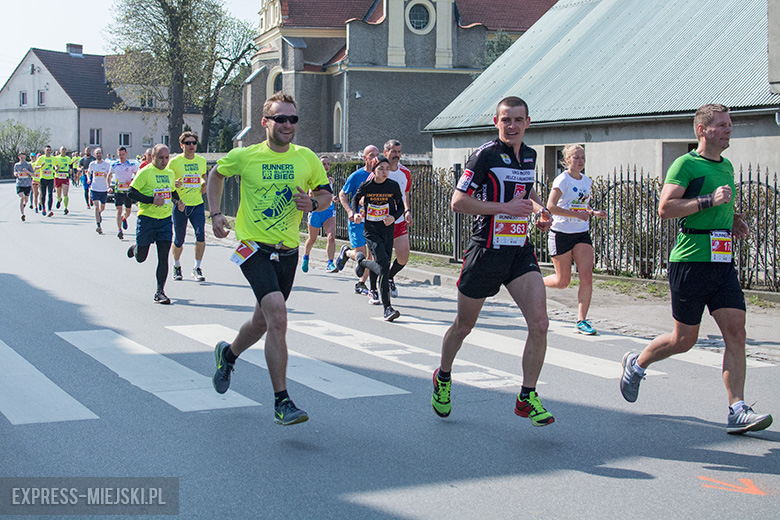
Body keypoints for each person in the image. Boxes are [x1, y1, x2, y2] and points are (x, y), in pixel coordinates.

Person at [620, 104, 773, 435]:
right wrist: (710, 202)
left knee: (737, 332)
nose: (728, 129)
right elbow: (665, 208)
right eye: (721, 125)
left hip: (721, 261)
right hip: (690, 261)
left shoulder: (727, 165)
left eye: (730, 124)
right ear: (702, 130)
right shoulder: (685, 164)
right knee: (684, 339)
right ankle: (637, 363)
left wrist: (732, 220)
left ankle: (737, 409)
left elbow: (719, 206)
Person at [207, 92, 332, 426]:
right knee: (277, 315)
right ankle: (282, 401)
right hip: (254, 248)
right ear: (265, 122)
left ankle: (228, 354)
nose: (288, 125)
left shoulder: (306, 158)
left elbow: (324, 192)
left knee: (262, 321)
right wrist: (216, 213)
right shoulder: (246, 157)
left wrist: (315, 204)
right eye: (281, 118)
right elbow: (216, 174)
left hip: (288, 251)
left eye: (293, 119)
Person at [431, 96, 555, 427]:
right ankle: (443, 377)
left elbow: (523, 192)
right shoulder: (484, 155)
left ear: (528, 122)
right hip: (485, 251)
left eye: (518, 120)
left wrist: (540, 209)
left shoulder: (529, 155)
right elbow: (459, 202)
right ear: (496, 123)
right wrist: (504, 209)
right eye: (505, 120)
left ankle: (527, 396)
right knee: (464, 326)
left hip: (518, 251)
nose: (511, 125)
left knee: (540, 324)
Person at [543, 144, 607, 335]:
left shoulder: (586, 181)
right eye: (576, 157)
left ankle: (582, 320)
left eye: (583, 157)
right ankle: (537, 282)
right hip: (561, 232)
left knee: (587, 276)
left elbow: (581, 206)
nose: (580, 161)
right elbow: (551, 206)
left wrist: (593, 212)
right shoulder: (562, 180)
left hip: (581, 233)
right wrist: (576, 214)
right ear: (567, 160)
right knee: (563, 282)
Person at [126, 144, 182, 304]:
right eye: (161, 158)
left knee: (163, 257)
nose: (164, 161)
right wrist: (152, 200)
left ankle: (160, 292)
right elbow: (131, 192)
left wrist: (178, 201)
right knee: (141, 257)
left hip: (164, 221)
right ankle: (137, 248)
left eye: (167, 158)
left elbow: (172, 192)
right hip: (147, 219)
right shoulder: (145, 173)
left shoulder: (170, 173)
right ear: (153, 157)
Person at [351, 154, 404, 321]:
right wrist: (355, 214)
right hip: (371, 230)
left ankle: (361, 261)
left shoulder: (393, 186)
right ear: (374, 170)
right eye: (381, 168)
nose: (385, 172)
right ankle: (387, 308)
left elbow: (401, 206)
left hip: (387, 230)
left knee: (383, 265)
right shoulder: (367, 186)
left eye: (387, 169)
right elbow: (355, 199)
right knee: (383, 267)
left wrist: (393, 217)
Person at [336, 144, 379, 295]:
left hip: (373, 222)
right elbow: (342, 194)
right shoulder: (356, 176)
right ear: (365, 158)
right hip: (357, 221)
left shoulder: (380, 176)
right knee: (360, 255)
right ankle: (347, 252)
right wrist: (350, 211)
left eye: (377, 154)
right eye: (371, 155)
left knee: (372, 254)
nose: (375, 158)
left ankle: (361, 283)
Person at [168, 132, 209, 281]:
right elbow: (168, 183)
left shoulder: (201, 161)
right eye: (188, 143)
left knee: (200, 235)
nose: (191, 146)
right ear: (182, 145)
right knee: (179, 239)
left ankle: (197, 268)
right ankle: (177, 266)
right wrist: (175, 184)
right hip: (181, 205)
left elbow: (202, 177)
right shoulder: (174, 162)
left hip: (197, 204)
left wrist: (203, 185)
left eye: (193, 143)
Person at [383, 140, 413, 298]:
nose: (396, 155)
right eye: (393, 152)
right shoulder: (379, 171)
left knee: (403, 256)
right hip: (381, 222)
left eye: (399, 152)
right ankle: (374, 288)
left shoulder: (405, 173)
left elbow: (405, 194)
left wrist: (407, 210)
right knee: (381, 257)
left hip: (399, 220)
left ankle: (389, 276)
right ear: (385, 152)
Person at [301, 155, 338, 273]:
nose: (326, 166)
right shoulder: (314, 179)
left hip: (329, 212)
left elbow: (329, 196)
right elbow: (311, 195)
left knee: (331, 237)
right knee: (312, 239)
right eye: (323, 164)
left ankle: (330, 263)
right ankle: (306, 257)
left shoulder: (331, 180)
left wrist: (333, 199)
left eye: (328, 164)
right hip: (316, 212)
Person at [107, 146, 139, 239]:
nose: (121, 156)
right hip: (118, 191)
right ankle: (119, 230)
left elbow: (137, 175)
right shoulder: (114, 165)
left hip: (127, 191)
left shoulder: (131, 165)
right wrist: (108, 187)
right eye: (120, 154)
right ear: (117, 154)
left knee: (128, 211)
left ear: (126, 153)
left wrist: (132, 182)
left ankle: (124, 218)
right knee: (119, 210)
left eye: (123, 154)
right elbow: (109, 176)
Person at [87, 148, 111, 233]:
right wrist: (88, 179)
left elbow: (109, 175)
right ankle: (98, 225)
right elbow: (89, 172)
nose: (98, 155)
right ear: (94, 155)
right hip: (95, 188)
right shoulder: (92, 164)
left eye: (100, 153)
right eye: (97, 153)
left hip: (103, 189)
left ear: (102, 154)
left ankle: (100, 213)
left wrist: (107, 180)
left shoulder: (107, 164)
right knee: (96, 207)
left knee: (102, 207)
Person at [34, 146, 56, 217]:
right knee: (43, 194)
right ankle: (43, 207)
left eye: (50, 150)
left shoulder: (53, 158)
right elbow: (35, 167)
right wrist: (40, 166)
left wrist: (56, 168)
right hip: (43, 178)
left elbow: (56, 165)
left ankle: (49, 210)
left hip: (51, 178)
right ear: (44, 151)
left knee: (50, 194)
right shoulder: (41, 158)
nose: (49, 151)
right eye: (47, 150)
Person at [14, 152, 34, 221]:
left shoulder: (28, 165)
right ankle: (22, 214)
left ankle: (24, 204)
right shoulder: (16, 165)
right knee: (21, 198)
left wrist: (27, 172)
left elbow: (33, 174)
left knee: (26, 199)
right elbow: (15, 172)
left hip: (27, 184)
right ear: (19, 157)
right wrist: (16, 174)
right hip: (19, 184)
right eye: (21, 158)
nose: (23, 159)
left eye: (24, 158)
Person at [54, 146, 72, 215]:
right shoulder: (56, 158)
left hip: (65, 176)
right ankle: (59, 200)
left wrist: (70, 170)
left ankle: (65, 208)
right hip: (58, 176)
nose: (64, 151)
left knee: (65, 193)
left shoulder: (68, 158)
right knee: (58, 193)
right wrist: (56, 168)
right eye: (62, 149)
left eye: (65, 149)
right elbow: (54, 166)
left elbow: (70, 165)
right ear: (60, 150)